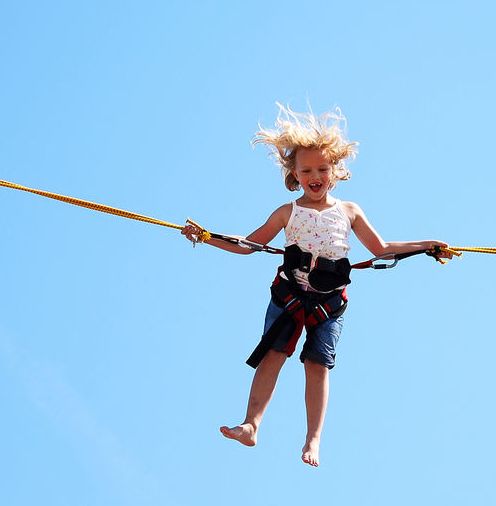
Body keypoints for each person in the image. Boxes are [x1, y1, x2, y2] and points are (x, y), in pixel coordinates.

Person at [181, 104, 452, 467]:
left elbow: (382, 248)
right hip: (289, 297)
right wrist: (206, 236)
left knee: (317, 365)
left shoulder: (350, 211)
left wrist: (426, 246)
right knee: (273, 355)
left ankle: (313, 440)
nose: (315, 175)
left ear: (334, 172)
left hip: (328, 305)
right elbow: (247, 245)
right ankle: (251, 425)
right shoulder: (286, 212)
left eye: (322, 169)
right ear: (294, 174)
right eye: (306, 169)